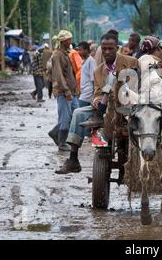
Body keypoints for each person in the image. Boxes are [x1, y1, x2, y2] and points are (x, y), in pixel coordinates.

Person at [55, 33, 139, 174]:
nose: (106, 52)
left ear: (116, 48)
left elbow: (139, 86)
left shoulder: (131, 62)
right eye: (104, 48)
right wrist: (96, 100)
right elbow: (98, 92)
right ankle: (73, 159)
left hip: (130, 107)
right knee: (78, 113)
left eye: (110, 48)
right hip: (106, 109)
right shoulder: (98, 71)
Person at [48, 30, 79, 151]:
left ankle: (55, 132)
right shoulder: (57, 55)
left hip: (72, 91)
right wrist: (66, 91)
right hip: (63, 92)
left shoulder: (65, 53)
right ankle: (61, 142)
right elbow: (59, 76)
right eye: (69, 39)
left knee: (75, 115)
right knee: (65, 118)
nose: (70, 41)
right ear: (63, 41)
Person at [77, 41, 97, 107]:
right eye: (78, 50)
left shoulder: (91, 61)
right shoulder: (84, 61)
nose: (79, 52)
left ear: (86, 50)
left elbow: (94, 79)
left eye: (80, 50)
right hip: (83, 93)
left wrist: (94, 96)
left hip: (88, 94)